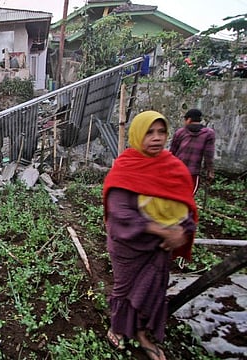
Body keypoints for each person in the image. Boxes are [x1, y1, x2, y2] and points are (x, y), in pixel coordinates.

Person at [102, 111, 198, 360]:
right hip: (129, 245)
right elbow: (120, 213)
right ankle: (117, 326)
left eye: (161, 132)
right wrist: (162, 230)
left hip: (160, 247)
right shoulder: (126, 167)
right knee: (124, 289)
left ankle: (142, 333)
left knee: (153, 289)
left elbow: (184, 203)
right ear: (137, 134)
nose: (156, 138)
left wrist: (183, 231)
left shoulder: (173, 167)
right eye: (149, 132)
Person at [170, 109, 215, 194]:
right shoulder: (208, 134)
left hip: (177, 170)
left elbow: (172, 152)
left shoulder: (180, 132)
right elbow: (208, 155)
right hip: (193, 173)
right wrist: (210, 171)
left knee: (174, 193)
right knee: (189, 196)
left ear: (189, 120)